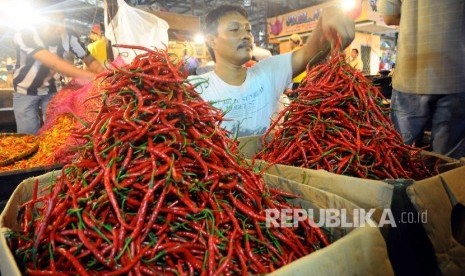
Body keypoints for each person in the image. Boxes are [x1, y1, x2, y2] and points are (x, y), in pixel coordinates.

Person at [190, 5, 354, 137]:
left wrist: (327, 18)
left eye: (248, 30)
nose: (246, 36)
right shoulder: (194, 88)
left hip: (265, 173)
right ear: (211, 40)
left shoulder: (267, 72)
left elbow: (309, 52)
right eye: (235, 29)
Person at [380, 0, 465, 158]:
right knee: (447, 161)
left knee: (400, 156)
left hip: (410, 73)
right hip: (454, 72)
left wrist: (414, 21)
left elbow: (389, 16)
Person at [13, 5, 105, 134]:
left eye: (61, 21)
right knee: (28, 134)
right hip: (25, 91)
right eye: (53, 22)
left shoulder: (69, 36)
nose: (60, 27)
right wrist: (90, 76)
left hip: (52, 90)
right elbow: (53, 63)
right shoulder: (26, 34)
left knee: (54, 131)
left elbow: (88, 58)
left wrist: (102, 72)